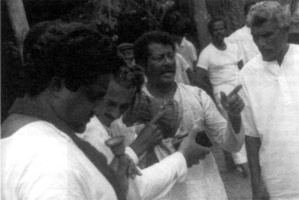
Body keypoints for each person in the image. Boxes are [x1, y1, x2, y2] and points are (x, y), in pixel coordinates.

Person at [1, 20, 211, 200]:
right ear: (57, 85)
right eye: (93, 96)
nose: (98, 109)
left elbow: (127, 189)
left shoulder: (20, 133)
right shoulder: (51, 162)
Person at [131, 31, 245, 200]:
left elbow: (231, 144)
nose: (168, 62)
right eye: (159, 58)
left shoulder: (197, 96)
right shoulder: (132, 106)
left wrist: (234, 116)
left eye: (171, 56)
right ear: (141, 64)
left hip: (206, 190)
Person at [81, 65, 211, 200]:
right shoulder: (88, 129)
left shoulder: (114, 125)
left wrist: (171, 145)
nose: (115, 113)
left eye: (123, 106)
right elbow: (134, 189)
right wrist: (182, 157)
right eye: (110, 103)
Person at [239, 1, 299, 199]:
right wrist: (257, 185)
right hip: (279, 182)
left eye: (267, 35)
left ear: (285, 30)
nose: (261, 44)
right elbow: (251, 135)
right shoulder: (247, 74)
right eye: (255, 37)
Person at [196, 18, 248, 176]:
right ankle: (243, 164)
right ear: (210, 32)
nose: (219, 32)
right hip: (223, 94)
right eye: (215, 30)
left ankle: (250, 158)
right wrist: (214, 94)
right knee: (233, 127)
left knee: (247, 123)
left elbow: (242, 68)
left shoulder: (233, 47)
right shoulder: (207, 53)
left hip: (240, 89)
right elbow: (198, 79)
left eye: (221, 29)